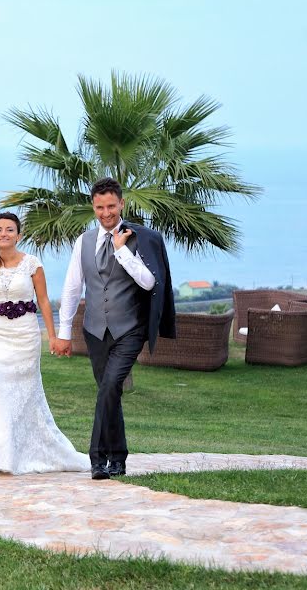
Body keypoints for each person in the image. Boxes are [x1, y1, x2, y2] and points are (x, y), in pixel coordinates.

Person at [51, 177, 176, 480]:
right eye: (99, 207)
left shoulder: (141, 238)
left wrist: (122, 251)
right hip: (94, 330)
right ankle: (118, 459)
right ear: (93, 207)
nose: (106, 213)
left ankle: (97, 459)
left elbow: (149, 282)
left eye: (111, 206)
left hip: (129, 329)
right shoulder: (83, 241)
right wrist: (63, 331)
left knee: (109, 387)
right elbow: (71, 288)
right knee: (110, 393)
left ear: (122, 204)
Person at [0, 212, 90, 475]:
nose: (4, 234)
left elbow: (45, 302)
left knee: (23, 397)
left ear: (19, 235)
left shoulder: (32, 264)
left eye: (9, 230)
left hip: (25, 336)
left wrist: (52, 335)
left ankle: (22, 454)